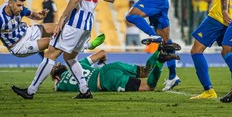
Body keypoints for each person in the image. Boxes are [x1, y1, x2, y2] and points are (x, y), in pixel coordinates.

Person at [12, 0, 115, 99]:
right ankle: (84, 90)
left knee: (50, 54)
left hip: (75, 21)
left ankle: (30, 91)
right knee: (70, 57)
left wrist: (62, 18)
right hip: (88, 23)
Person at [0, 0, 54, 74]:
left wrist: (41, 16)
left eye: (22, 5)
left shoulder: (19, 9)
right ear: (10, 4)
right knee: (51, 41)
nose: (21, 8)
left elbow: (32, 15)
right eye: (19, 5)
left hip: (27, 32)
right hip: (19, 46)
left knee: (57, 27)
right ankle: (54, 71)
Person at [51, 46, 180, 93]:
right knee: (146, 71)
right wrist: (102, 61)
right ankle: (159, 50)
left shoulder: (60, 84)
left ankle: (161, 61)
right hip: (111, 67)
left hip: (107, 81)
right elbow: (102, 52)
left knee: (148, 87)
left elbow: (56, 86)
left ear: (57, 77)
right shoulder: (78, 65)